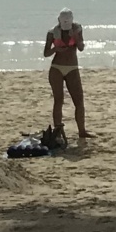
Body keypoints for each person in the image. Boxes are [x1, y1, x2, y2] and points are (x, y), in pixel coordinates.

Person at [44, 8, 89, 141]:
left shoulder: (77, 29)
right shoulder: (52, 33)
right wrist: (56, 49)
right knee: (58, 100)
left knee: (79, 101)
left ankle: (82, 131)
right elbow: (46, 53)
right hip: (56, 68)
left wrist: (75, 36)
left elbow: (80, 47)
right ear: (58, 20)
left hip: (72, 68)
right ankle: (58, 131)